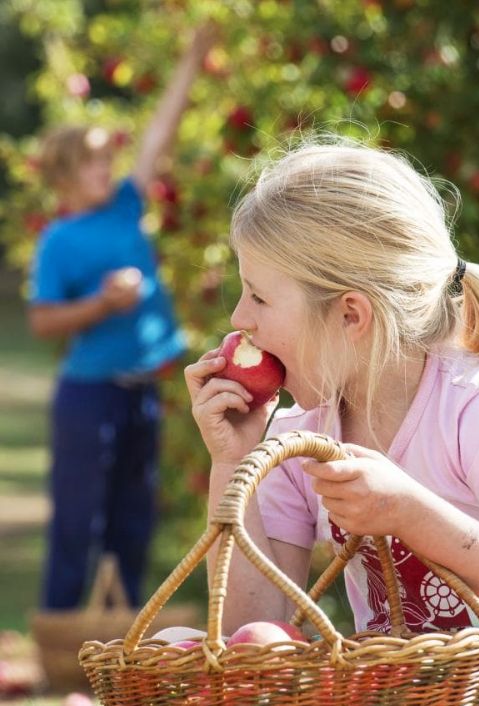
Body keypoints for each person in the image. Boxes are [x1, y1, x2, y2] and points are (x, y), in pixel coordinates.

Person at [185, 138, 479, 702]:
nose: (238, 318)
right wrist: (234, 461)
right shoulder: (305, 435)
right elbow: (256, 629)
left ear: (350, 314)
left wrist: (409, 513)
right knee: (188, 642)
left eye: (259, 298)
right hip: (392, 690)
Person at [29, 22, 217, 609]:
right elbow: (42, 322)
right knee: (77, 524)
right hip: (89, 395)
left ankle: (123, 646)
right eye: (91, 166)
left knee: (132, 525)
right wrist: (101, 305)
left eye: (105, 162)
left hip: (141, 393)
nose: (105, 172)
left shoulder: (126, 205)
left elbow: (159, 131)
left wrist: (192, 55)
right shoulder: (59, 241)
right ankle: (58, 640)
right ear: (63, 177)